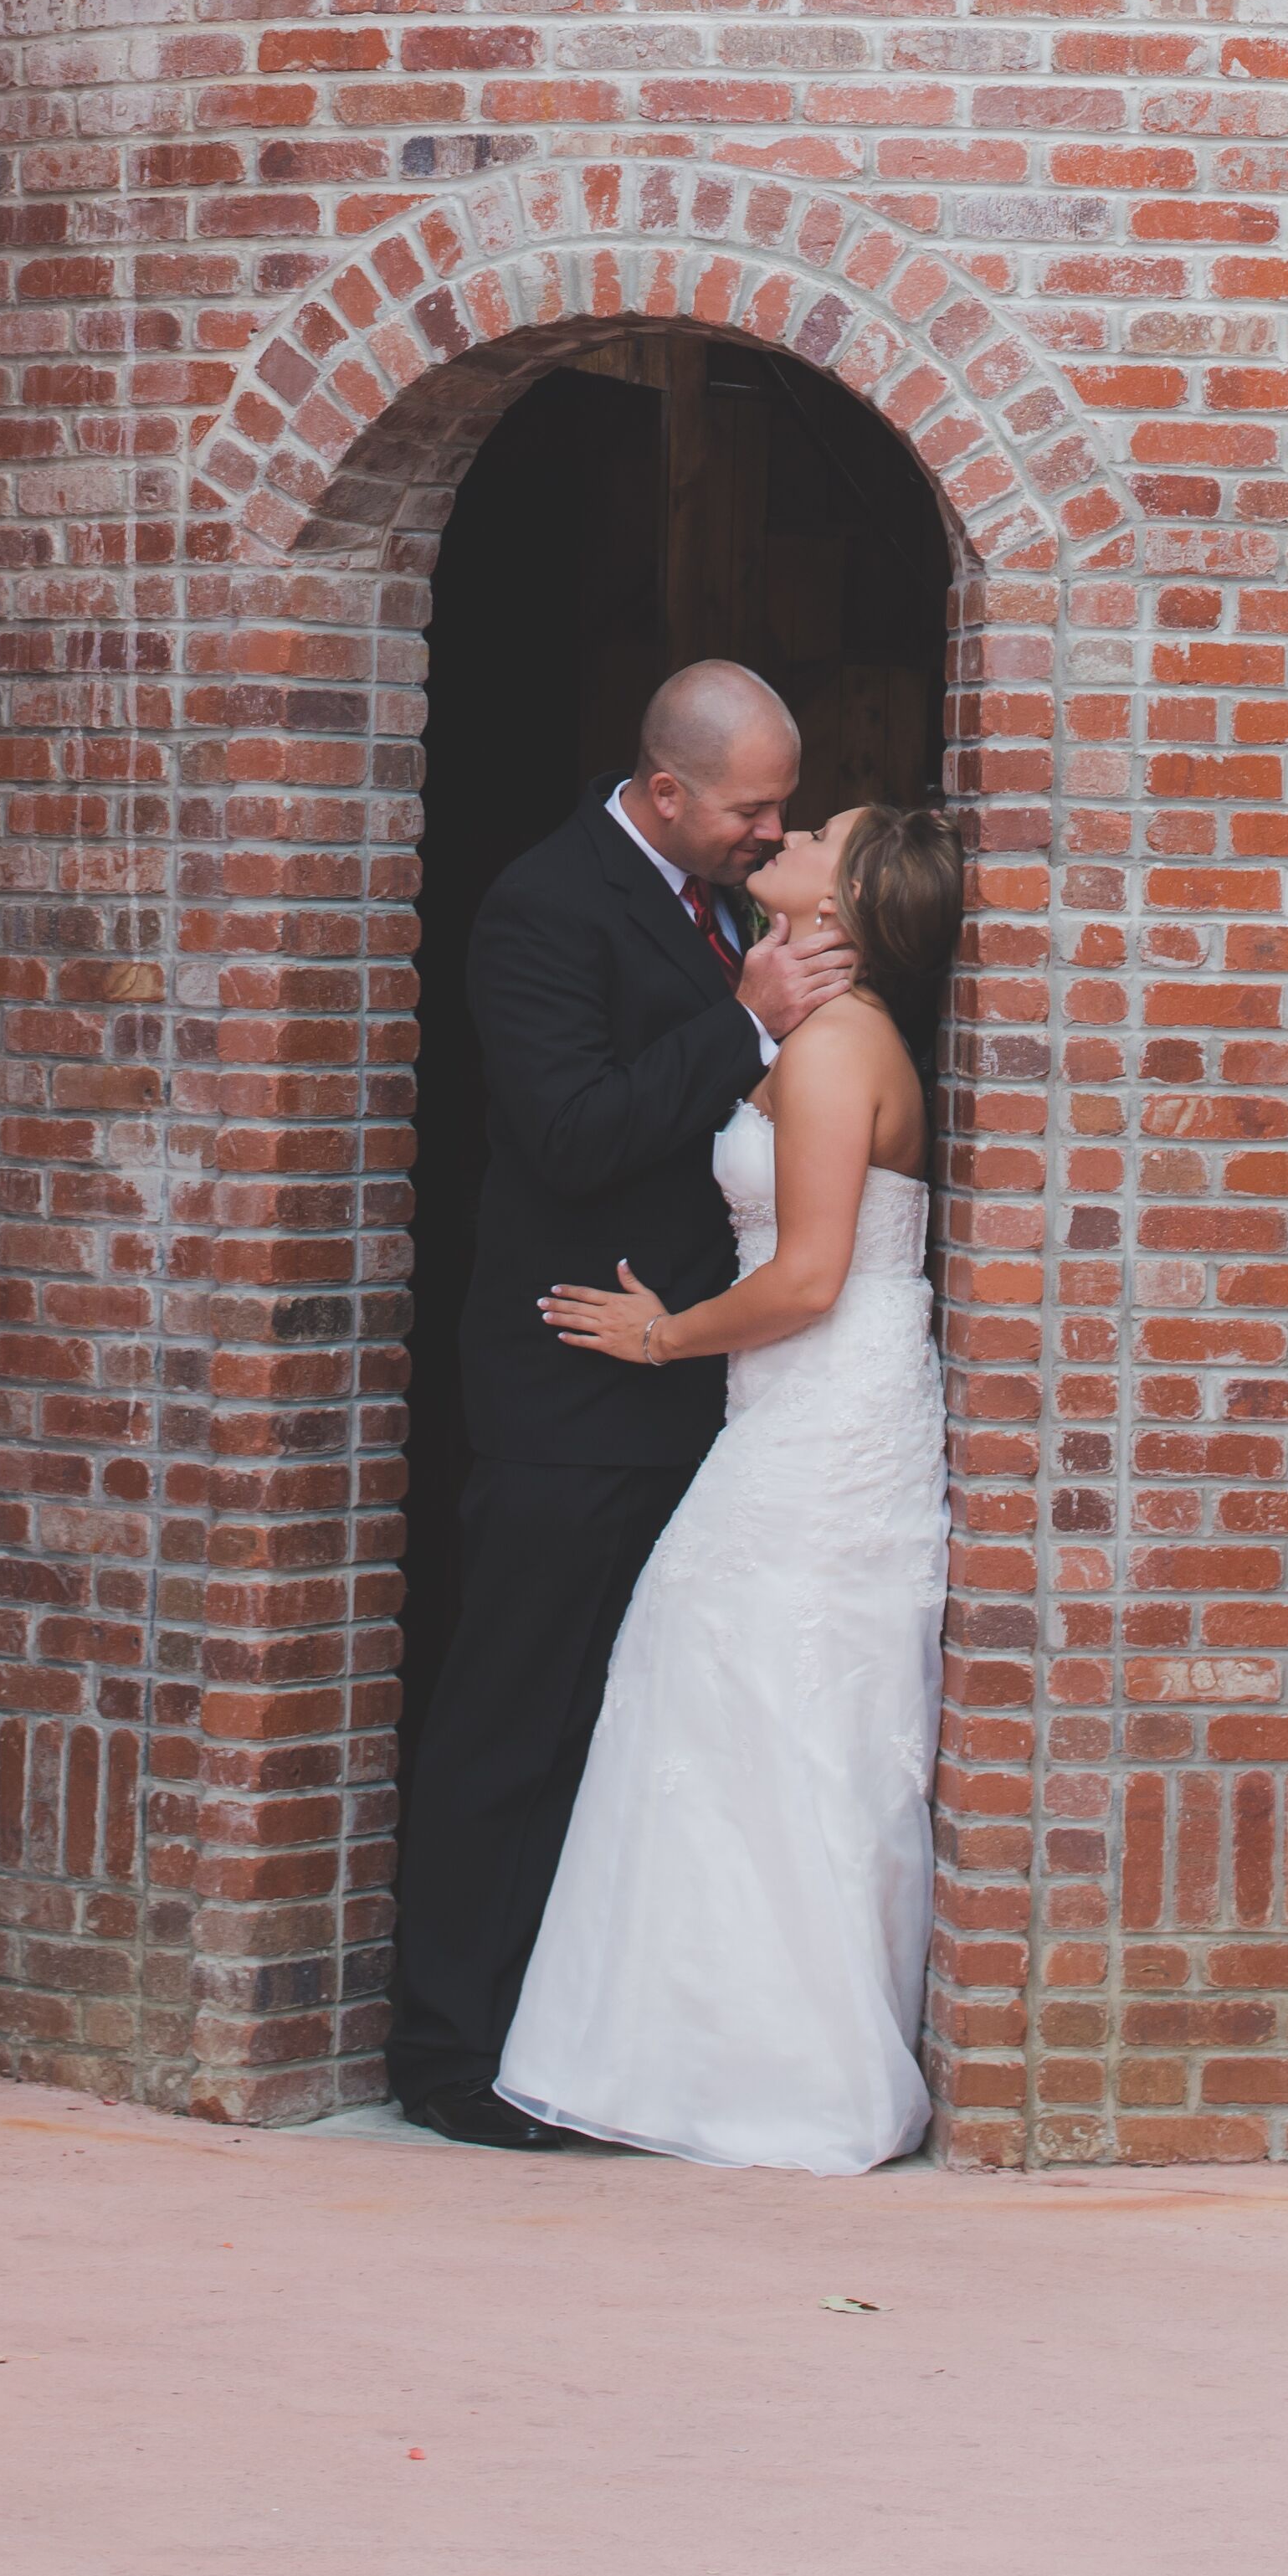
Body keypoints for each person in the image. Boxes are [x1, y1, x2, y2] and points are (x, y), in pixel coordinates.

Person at [389, 662, 849, 2147]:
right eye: (750, 809)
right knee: (512, 1726)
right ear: (665, 792)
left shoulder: (729, 901)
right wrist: (744, 1017)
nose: (771, 835)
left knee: (620, 1733)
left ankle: (569, 2044)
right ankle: (450, 2057)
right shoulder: (542, 906)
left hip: (692, 1384)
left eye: (786, 807)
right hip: (565, 1390)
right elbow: (573, 1134)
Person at [499, 799, 959, 2172]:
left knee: (750, 1696)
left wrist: (662, 1333)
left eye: (822, 831)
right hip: (799, 1408)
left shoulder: (836, 1053)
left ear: (851, 900)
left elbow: (812, 1279)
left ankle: (778, 2076)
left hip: (819, 1416)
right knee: (747, 1700)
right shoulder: (817, 1036)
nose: (794, 833)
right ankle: (706, 2061)